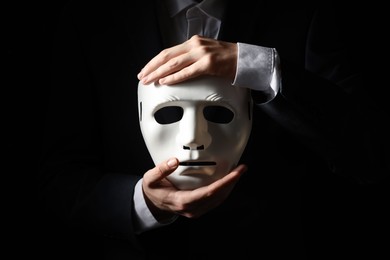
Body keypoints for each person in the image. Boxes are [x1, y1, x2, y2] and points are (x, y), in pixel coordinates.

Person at [38, 0, 388, 259]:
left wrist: (260, 68)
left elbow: (371, 154)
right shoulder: (90, 17)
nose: (193, 138)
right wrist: (144, 204)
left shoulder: (304, 12)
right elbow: (54, 179)